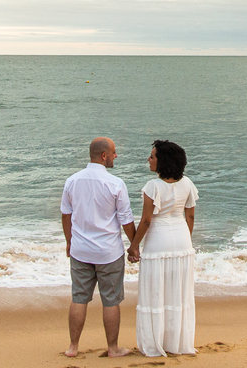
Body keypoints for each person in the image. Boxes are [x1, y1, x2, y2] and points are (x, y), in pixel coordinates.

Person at [60, 136, 137, 358]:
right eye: (113, 152)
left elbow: (66, 214)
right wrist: (134, 246)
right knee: (111, 300)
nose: (116, 156)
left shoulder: (72, 180)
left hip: (81, 250)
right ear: (104, 156)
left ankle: (73, 347)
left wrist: (69, 241)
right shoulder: (115, 184)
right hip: (108, 252)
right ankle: (112, 348)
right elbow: (126, 219)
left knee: (79, 297)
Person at [127, 139, 198, 357]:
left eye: (152, 156)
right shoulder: (187, 184)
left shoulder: (152, 186)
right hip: (182, 241)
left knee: (156, 293)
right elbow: (190, 216)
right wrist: (186, 239)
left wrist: (133, 246)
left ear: (162, 161)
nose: (149, 160)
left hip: (158, 242)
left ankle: (154, 344)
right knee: (178, 294)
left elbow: (147, 221)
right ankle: (177, 343)